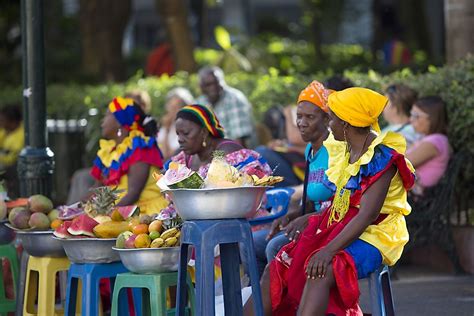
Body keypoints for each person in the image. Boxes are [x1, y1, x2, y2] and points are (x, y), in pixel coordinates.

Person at [244, 87, 416, 315]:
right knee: (280, 262)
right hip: (344, 225)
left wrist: (328, 251)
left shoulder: (382, 158)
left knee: (321, 270)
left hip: (378, 235)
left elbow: (367, 216)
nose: (329, 124)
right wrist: (309, 218)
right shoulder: (346, 150)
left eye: (332, 118)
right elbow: (342, 204)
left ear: (346, 124)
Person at [251, 80, 338, 276]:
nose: (302, 123)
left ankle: (289, 303)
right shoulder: (310, 150)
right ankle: (258, 302)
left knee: (274, 247)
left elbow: (343, 206)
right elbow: (310, 200)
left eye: (310, 117)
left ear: (326, 120)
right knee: (252, 244)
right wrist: (290, 216)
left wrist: (308, 219)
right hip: (311, 223)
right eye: (299, 116)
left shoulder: (335, 151)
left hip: (329, 229)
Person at [90, 96, 168, 214]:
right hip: (117, 212)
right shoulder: (108, 152)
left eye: (107, 115)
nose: (102, 121)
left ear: (119, 121)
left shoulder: (140, 147)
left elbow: (133, 193)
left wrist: (105, 214)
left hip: (145, 213)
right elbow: (96, 190)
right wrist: (76, 207)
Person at [168, 104, 271, 179]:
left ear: (204, 132)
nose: (180, 139)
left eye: (186, 133)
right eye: (178, 134)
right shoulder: (188, 157)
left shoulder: (222, 150)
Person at [196, 66, 256, 148]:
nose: (213, 87)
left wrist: (215, 157)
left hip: (233, 151)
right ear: (201, 87)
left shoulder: (234, 98)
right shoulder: (199, 103)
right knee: (179, 156)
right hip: (209, 151)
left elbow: (238, 143)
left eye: (216, 82)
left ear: (223, 82)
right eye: (208, 85)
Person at [406, 96, 450, 195]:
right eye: (411, 114)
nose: (410, 119)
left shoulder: (435, 141)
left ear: (432, 118)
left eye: (416, 115)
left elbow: (401, 162)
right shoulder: (431, 139)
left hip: (416, 199)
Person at [157, 87, 194, 160]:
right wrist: (167, 130)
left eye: (177, 107)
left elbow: (173, 157)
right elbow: (161, 155)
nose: (174, 111)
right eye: (171, 107)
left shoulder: (190, 129)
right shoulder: (168, 126)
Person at [0, 105, 24, 198]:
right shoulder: (4, 131)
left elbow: (11, 159)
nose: (1, 123)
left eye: (2, 120)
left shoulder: (21, 135)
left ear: (12, 121)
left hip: (14, 169)